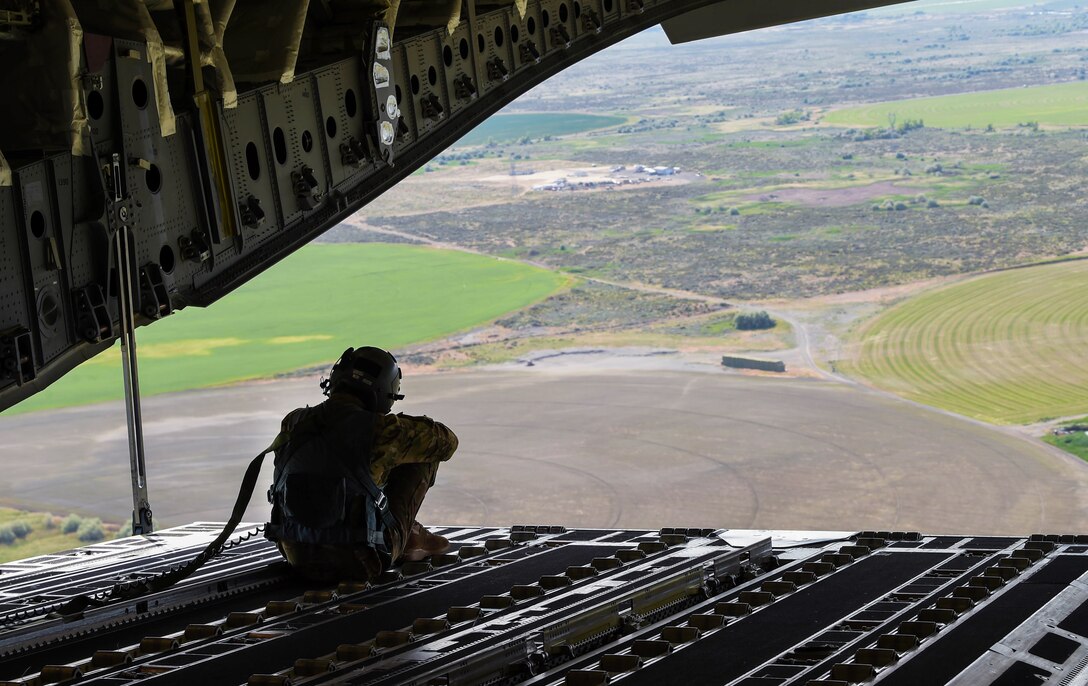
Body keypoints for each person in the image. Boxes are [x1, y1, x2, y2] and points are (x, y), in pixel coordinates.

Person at [265, 346, 458, 581]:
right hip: (361, 561)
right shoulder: (384, 431)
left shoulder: (294, 421)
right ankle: (410, 535)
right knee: (423, 454)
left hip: (296, 554)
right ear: (385, 391)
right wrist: (403, 425)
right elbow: (447, 443)